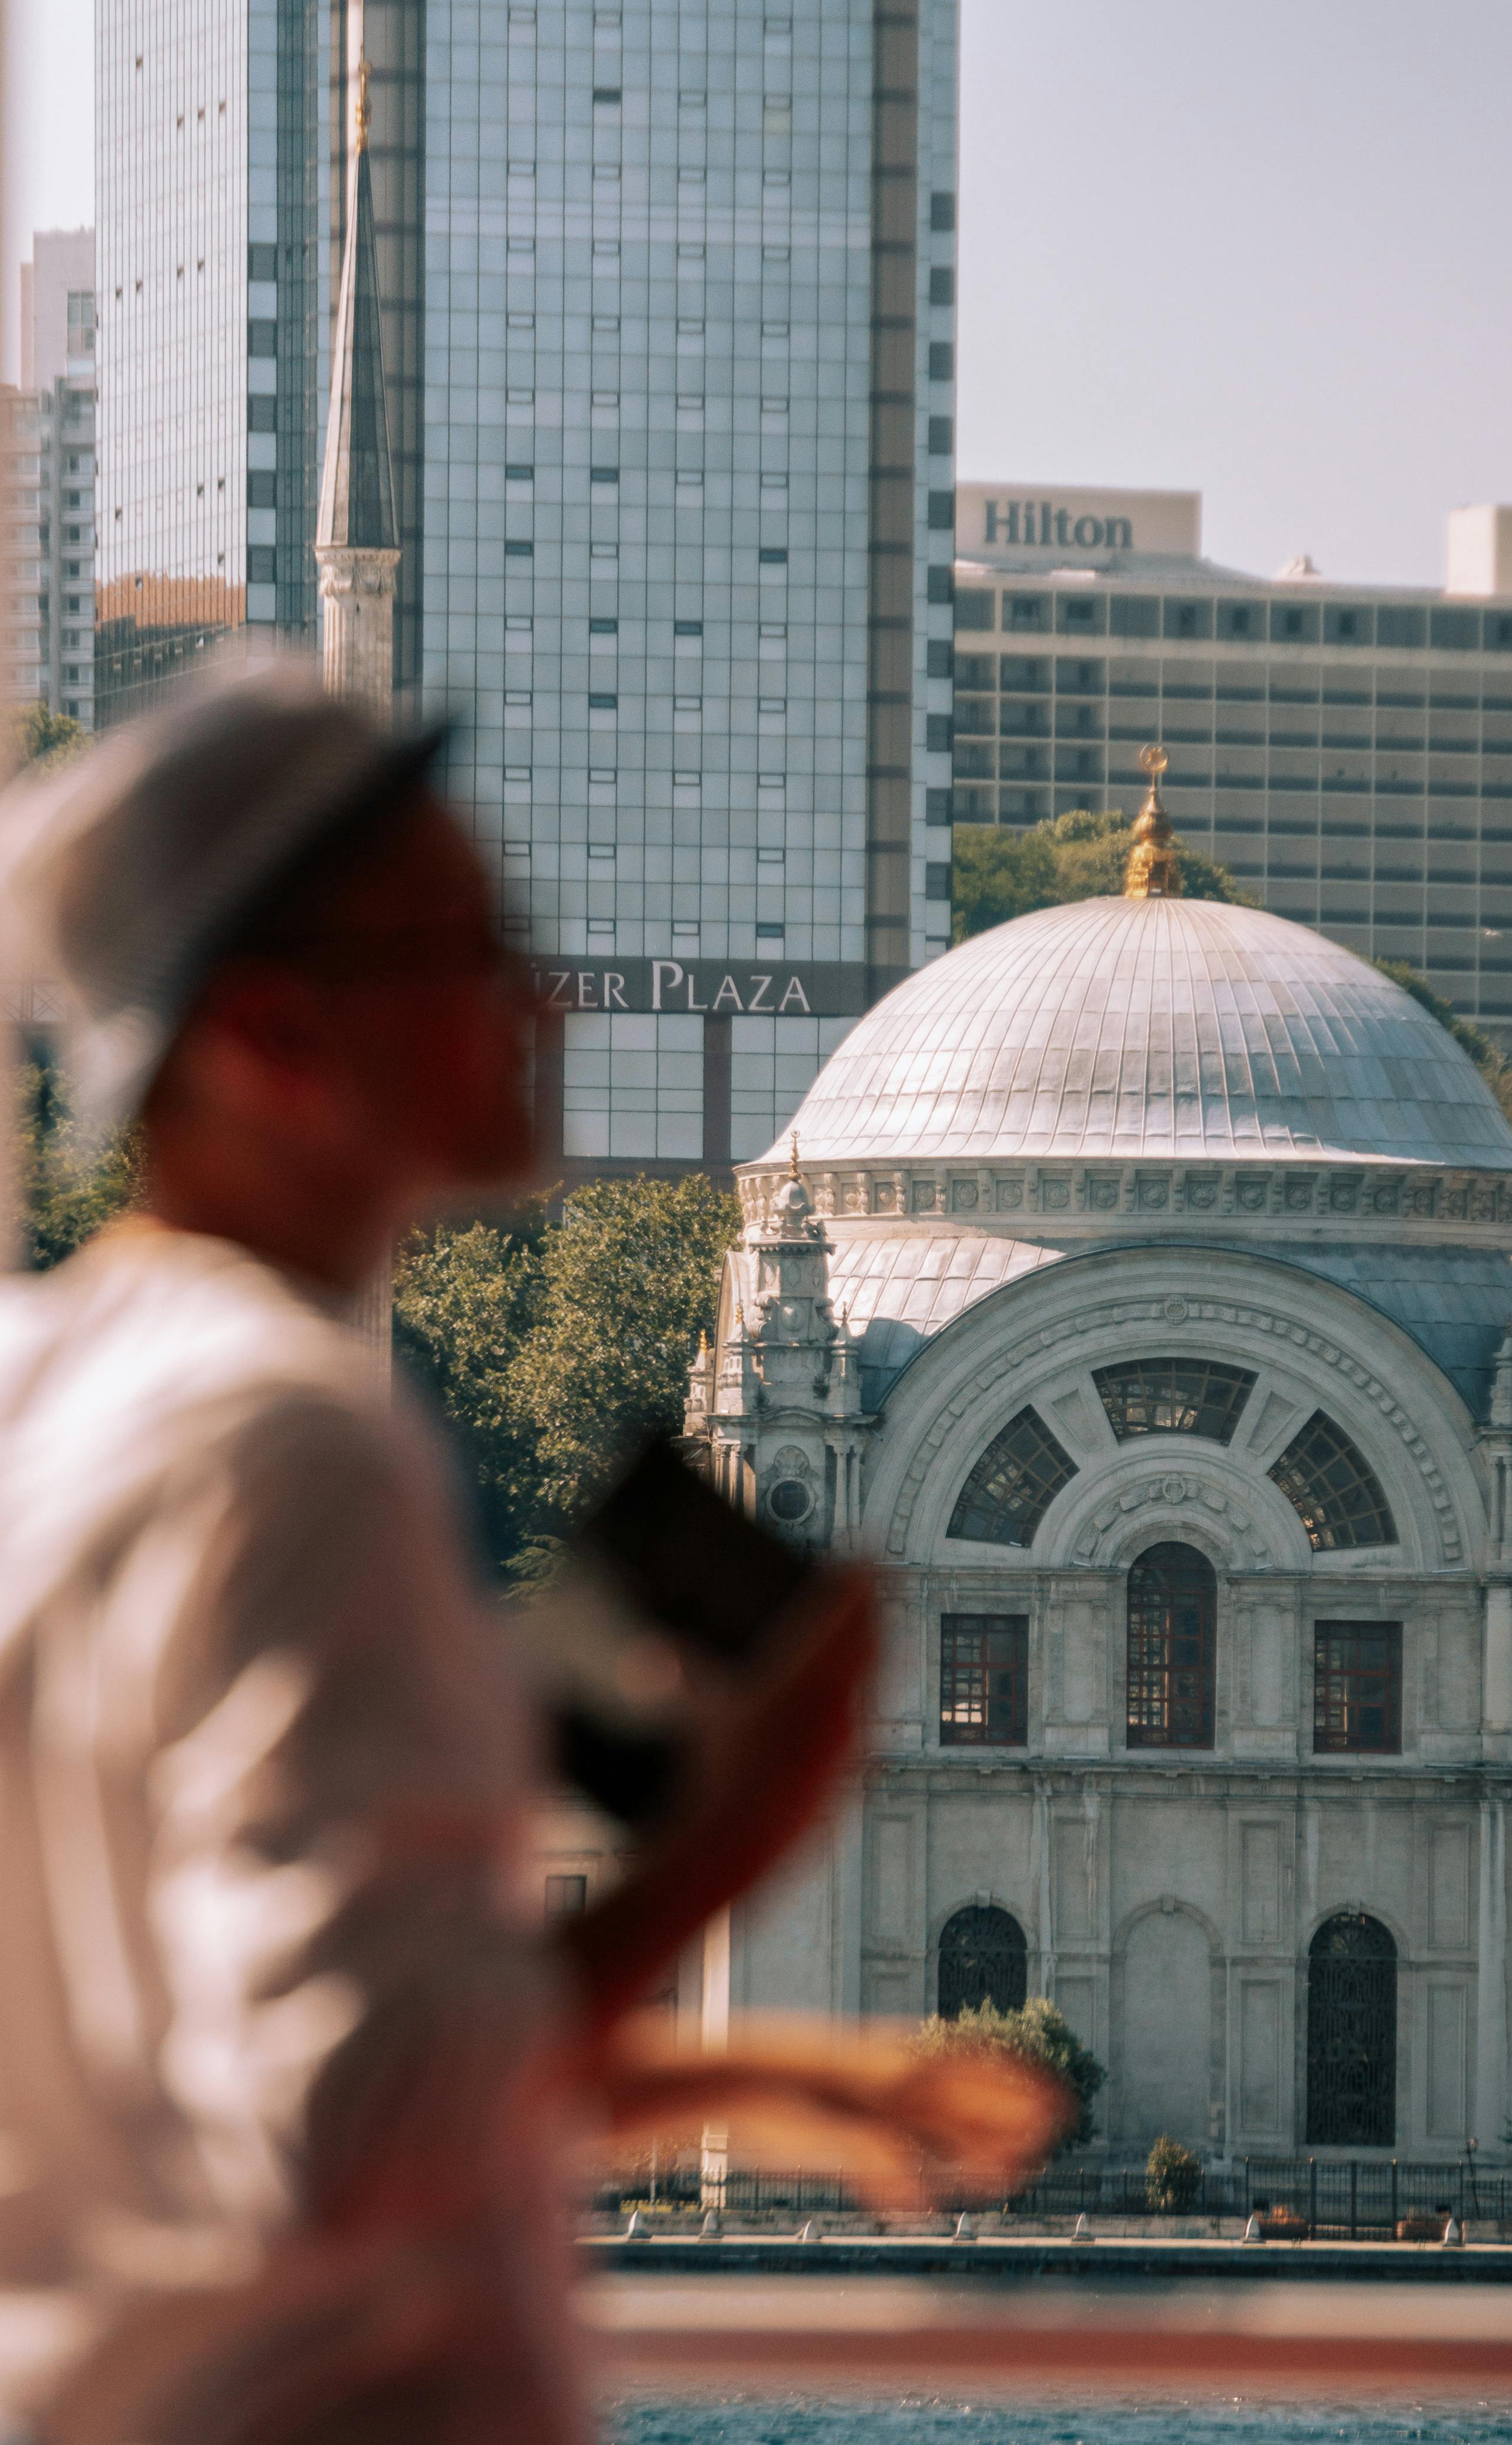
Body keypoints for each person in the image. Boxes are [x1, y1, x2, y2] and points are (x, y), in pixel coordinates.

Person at [0, 669, 1061, 2445]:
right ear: (274, 1033)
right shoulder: (297, 1445)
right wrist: (752, 1811)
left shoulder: (46, 1390)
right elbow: (374, 2126)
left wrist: (783, 2077)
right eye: (470, 951)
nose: (542, 999)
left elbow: (237, 2070)